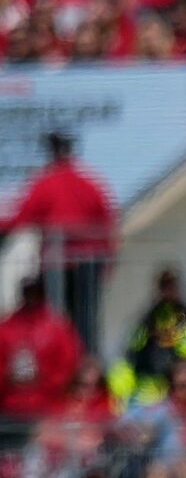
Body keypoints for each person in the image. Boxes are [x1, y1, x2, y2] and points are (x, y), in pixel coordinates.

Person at [0, 132, 116, 348]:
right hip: (85, 264)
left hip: (59, 264)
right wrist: (108, 261)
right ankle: (83, 361)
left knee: (57, 319)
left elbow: (21, 217)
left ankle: (69, 359)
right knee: (85, 320)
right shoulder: (89, 183)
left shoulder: (48, 183)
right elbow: (107, 222)